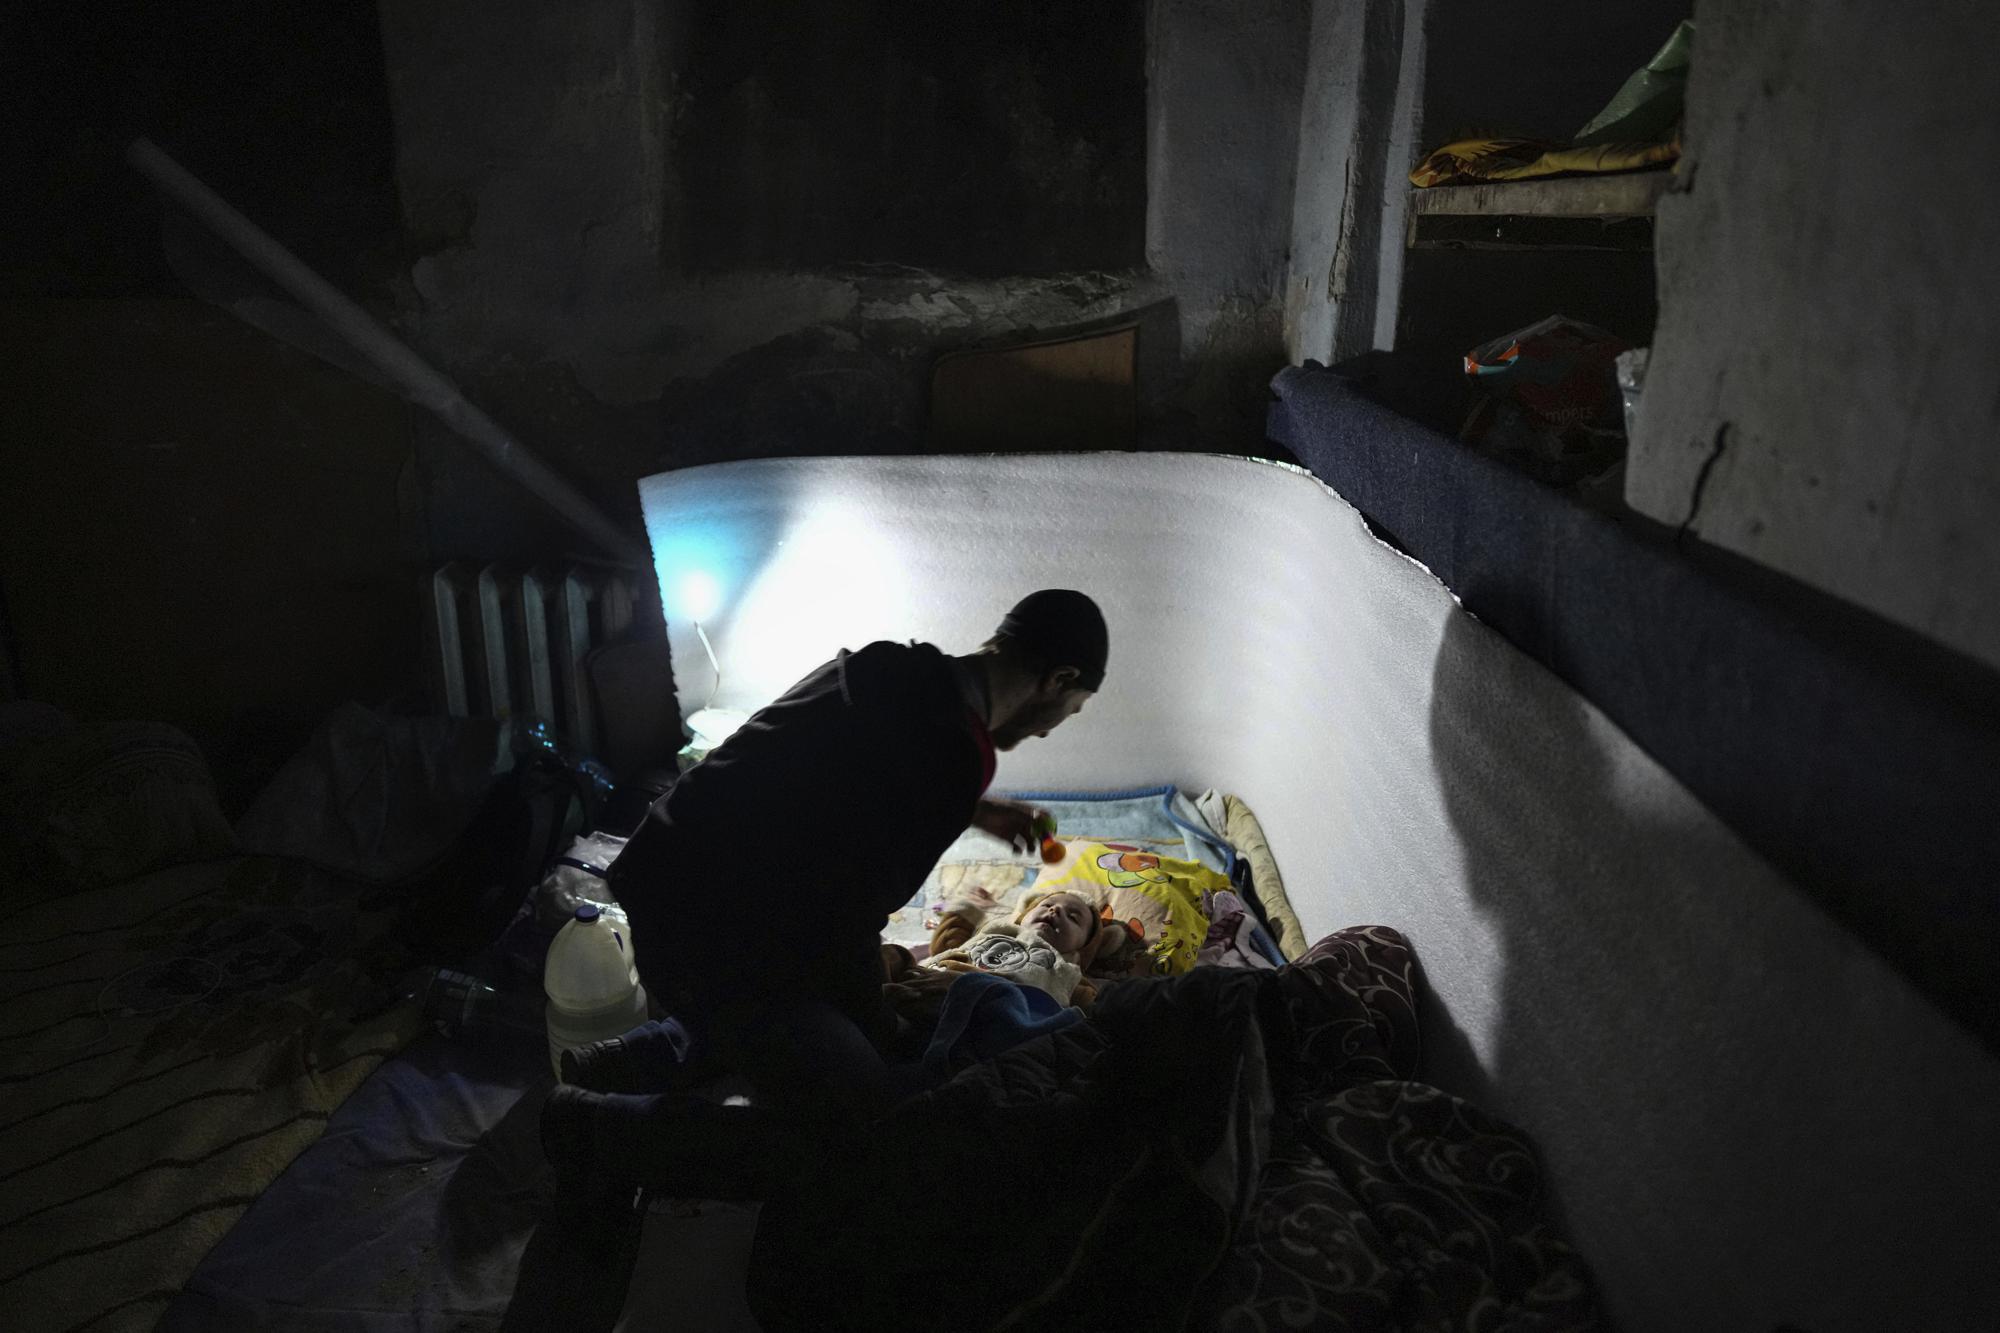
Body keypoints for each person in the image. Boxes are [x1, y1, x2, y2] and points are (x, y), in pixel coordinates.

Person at [545, 590, 1109, 1165]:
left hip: (659, 876)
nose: (1051, 730)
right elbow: (844, 926)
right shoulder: (952, 758)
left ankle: (622, 1060)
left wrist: (975, 807)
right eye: (1074, 708)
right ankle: (597, 1129)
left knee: (801, 1036)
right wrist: (880, 1025)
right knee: (868, 1127)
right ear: (1060, 679)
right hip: (709, 941)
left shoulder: (888, 664)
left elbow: (840, 782)